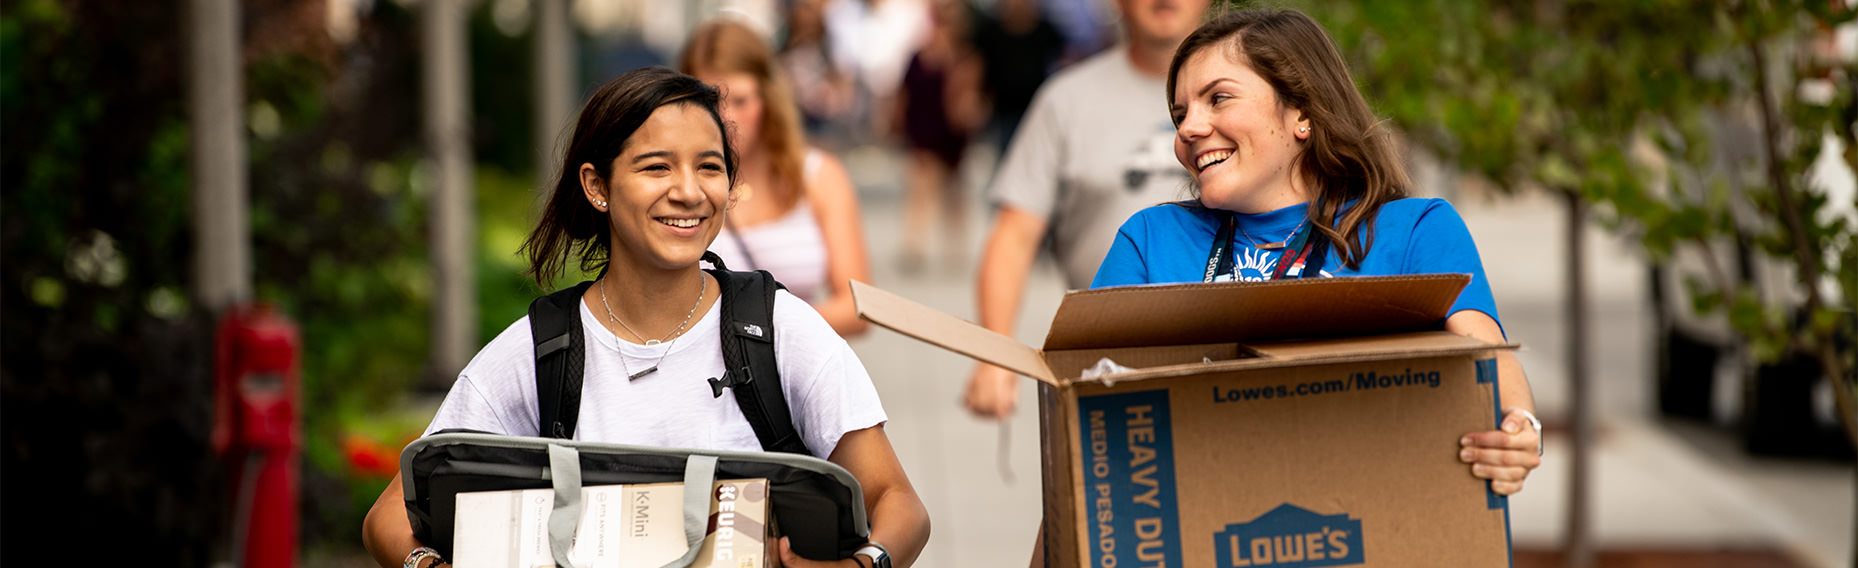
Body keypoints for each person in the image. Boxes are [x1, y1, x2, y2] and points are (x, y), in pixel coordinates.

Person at [360, 66, 930, 568]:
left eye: (709, 167)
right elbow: (389, 517)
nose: (688, 192)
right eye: (656, 168)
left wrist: (864, 566)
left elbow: (899, 504)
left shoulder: (779, 330)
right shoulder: (543, 348)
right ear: (597, 186)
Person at [1094, 7, 1542, 494]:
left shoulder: (1413, 230)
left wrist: (1520, 430)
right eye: (1180, 114)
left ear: (1302, 113)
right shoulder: (1149, 239)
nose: (1187, 129)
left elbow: (1490, 360)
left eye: (1218, 99)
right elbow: (1089, 406)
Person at [962, 0, 1209, 419]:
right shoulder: (1067, 100)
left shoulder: (1257, 90)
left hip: (1230, 361)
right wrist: (993, 354)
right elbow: (1014, 236)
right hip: (1106, 371)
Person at [681, 17, 873, 338]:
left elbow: (858, 307)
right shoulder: (677, 184)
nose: (727, 118)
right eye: (711, 101)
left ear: (768, 99)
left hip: (789, 375)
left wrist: (761, 327)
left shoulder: (818, 175)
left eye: (741, 100)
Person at [896, 0, 987, 267]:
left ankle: (954, 248)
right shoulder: (920, 55)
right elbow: (904, 92)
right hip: (923, 128)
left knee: (954, 193)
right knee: (921, 189)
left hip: (951, 134)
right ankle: (915, 245)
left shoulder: (965, 58)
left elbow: (969, 97)